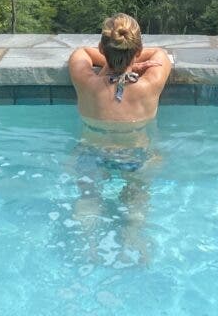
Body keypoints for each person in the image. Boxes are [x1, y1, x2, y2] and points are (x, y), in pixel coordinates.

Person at [65, 13, 172, 265]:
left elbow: (82, 52)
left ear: (103, 47)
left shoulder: (86, 82)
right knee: (136, 196)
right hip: (135, 156)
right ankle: (133, 237)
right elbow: (161, 54)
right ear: (138, 50)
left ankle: (88, 246)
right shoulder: (150, 84)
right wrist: (133, 65)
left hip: (93, 151)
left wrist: (112, 63)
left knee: (88, 197)